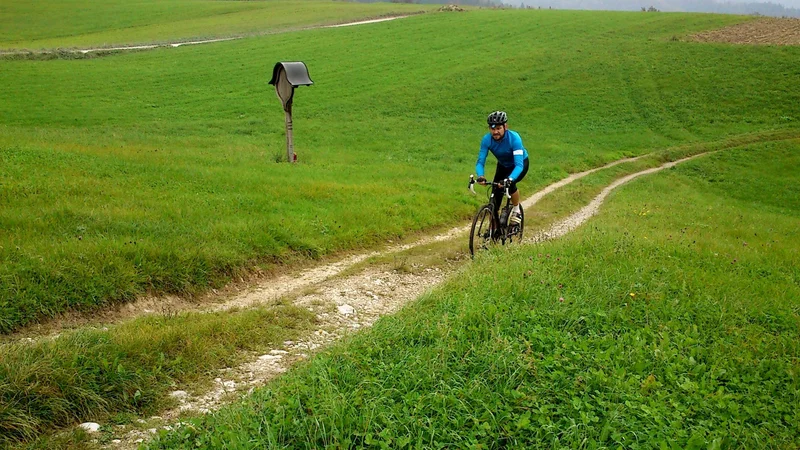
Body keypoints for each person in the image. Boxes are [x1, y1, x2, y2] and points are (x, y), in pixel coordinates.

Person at [475, 111, 529, 225]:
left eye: (499, 128)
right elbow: (480, 162)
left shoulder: (514, 138)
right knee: (495, 195)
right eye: (492, 129)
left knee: (511, 184)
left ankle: (516, 210)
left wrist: (509, 179)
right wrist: (481, 176)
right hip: (503, 165)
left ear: (505, 127)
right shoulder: (486, 140)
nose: (495, 132)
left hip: (520, 164)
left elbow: (519, 165)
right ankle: (493, 228)